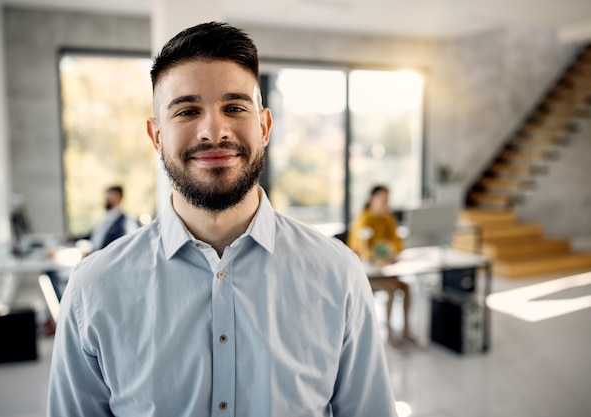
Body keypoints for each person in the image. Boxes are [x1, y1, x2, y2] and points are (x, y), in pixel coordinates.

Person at [47, 22, 397, 416]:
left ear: (263, 126)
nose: (214, 130)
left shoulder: (339, 275)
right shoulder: (93, 290)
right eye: (187, 110)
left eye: (234, 107)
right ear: (156, 136)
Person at [347, 185, 415, 348]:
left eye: (387, 200)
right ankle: (389, 335)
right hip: (366, 275)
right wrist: (382, 256)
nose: (385, 203)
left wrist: (389, 254)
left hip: (383, 270)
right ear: (372, 199)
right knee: (392, 289)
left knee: (405, 287)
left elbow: (398, 244)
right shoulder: (363, 219)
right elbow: (362, 252)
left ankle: (406, 331)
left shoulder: (388, 219)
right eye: (382, 199)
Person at [88, 185, 138, 252]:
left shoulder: (125, 221)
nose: (106, 198)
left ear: (118, 196)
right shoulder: (106, 218)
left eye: (110, 194)